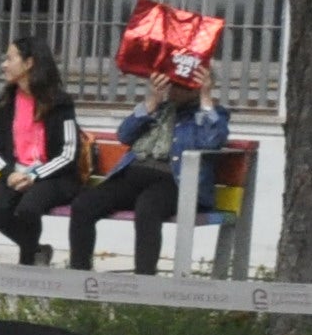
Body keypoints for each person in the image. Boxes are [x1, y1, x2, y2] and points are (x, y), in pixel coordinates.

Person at [70, 58, 229, 274]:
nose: (173, 89)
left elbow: (212, 141)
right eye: (171, 82)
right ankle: (78, 275)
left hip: (174, 181)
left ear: (196, 88)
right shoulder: (158, 109)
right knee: (84, 204)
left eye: (181, 85)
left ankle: (143, 280)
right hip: (133, 175)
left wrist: (206, 97)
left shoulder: (209, 114)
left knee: (147, 208)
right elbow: (124, 135)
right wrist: (152, 100)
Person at [0, 34, 82, 265]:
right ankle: (36, 250)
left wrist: (33, 175)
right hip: (17, 172)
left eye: (10, 58)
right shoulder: (5, 103)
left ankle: (27, 266)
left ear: (29, 63)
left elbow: (68, 153)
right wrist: (10, 174)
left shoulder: (60, 102)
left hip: (55, 176)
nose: (4, 65)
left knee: (28, 208)